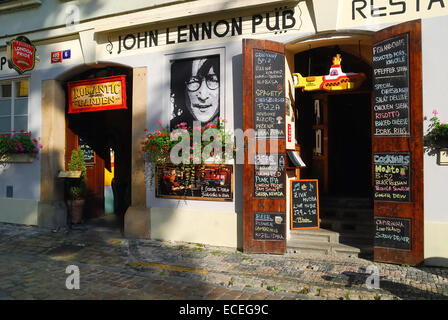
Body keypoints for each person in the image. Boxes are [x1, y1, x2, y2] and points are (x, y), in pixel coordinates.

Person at [170, 56, 220, 130]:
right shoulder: (170, 129)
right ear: (182, 89)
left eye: (213, 80)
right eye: (193, 81)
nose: (203, 96)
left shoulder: (230, 128)